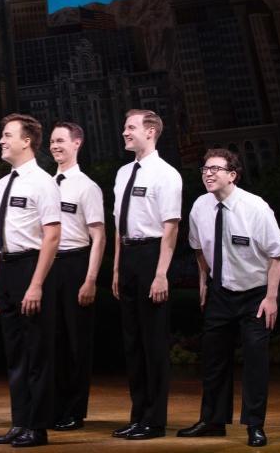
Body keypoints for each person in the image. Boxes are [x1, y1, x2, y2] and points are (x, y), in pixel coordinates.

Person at [177, 149, 280, 448]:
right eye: (204, 169)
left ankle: (255, 425)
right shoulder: (200, 206)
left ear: (232, 175)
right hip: (220, 293)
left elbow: (277, 255)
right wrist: (203, 281)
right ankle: (212, 421)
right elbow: (199, 248)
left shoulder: (255, 207)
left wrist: (272, 297)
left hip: (255, 295)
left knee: (254, 361)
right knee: (213, 360)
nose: (208, 174)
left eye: (215, 169)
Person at [0, 113, 61, 448]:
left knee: (36, 353)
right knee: (15, 353)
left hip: (31, 269)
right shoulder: (3, 184)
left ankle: (38, 426)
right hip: (6, 270)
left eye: (7, 135)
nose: (1, 141)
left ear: (26, 140)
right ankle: (21, 421)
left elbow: (53, 236)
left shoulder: (43, 182)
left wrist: (36, 284)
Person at [111, 109, 181, 440]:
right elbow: (118, 224)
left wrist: (161, 274)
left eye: (131, 127)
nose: (125, 132)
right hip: (127, 257)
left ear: (150, 131)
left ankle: (155, 420)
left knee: (153, 344)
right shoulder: (123, 173)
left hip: (152, 256)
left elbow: (170, 228)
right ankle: (138, 415)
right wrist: (115, 268)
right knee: (132, 344)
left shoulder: (166, 174)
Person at [48, 122, 105, 431]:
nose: (55, 146)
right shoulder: (45, 183)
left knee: (76, 342)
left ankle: (74, 410)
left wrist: (91, 279)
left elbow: (99, 236)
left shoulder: (87, 187)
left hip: (76, 265)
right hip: (49, 266)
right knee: (53, 340)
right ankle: (55, 406)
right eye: (52, 141)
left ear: (76, 143)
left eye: (60, 141)